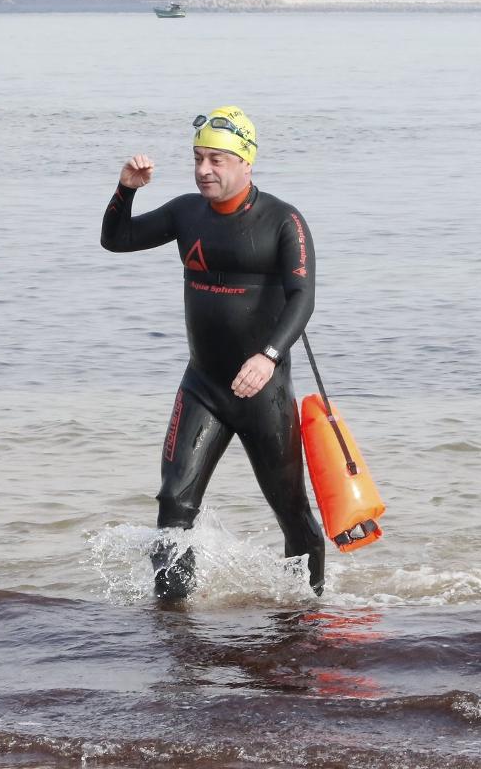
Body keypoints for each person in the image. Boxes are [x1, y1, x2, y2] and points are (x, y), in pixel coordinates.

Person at [100, 105, 325, 599]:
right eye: (198, 158)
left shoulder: (283, 221)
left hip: (263, 391)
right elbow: (115, 240)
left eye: (217, 160)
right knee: (173, 503)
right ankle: (173, 618)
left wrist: (268, 356)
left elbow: (303, 297)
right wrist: (127, 190)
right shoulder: (186, 212)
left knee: (291, 511)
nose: (204, 169)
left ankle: (307, 613)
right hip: (202, 386)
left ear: (247, 162)